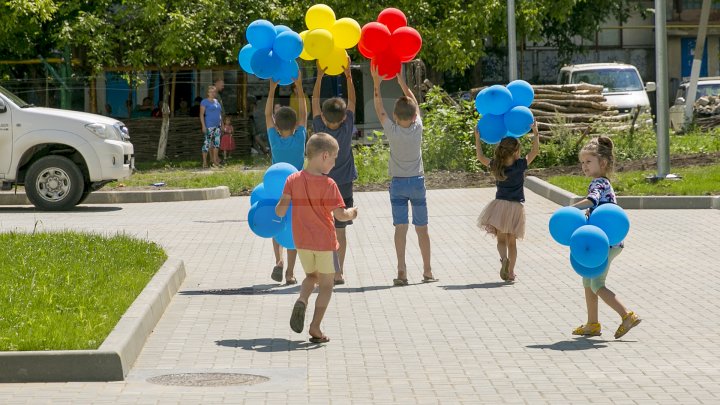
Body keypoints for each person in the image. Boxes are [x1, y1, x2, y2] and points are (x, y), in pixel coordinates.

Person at [275, 133, 359, 343]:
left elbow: (280, 210)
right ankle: (315, 327)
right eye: (333, 158)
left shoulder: (292, 180)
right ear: (324, 156)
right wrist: (352, 213)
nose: (334, 163)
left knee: (311, 277)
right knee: (326, 285)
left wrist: (275, 208)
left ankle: (302, 299)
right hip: (325, 243)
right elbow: (340, 215)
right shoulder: (329, 184)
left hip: (302, 242)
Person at [370, 64, 437, 286]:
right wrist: (401, 82)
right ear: (414, 115)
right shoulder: (418, 128)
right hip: (417, 183)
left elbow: (379, 109)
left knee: (400, 228)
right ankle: (427, 271)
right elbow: (415, 104)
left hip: (397, 184)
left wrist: (377, 83)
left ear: (396, 117)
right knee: (422, 228)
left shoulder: (392, 130)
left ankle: (401, 271)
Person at [570, 136, 641, 339]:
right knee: (587, 280)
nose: (584, 166)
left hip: (604, 244)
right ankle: (592, 324)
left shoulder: (598, 183)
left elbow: (591, 200)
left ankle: (627, 315)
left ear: (603, 163)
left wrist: (571, 209)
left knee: (596, 284)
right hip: (602, 241)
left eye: (588, 162)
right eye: (582, 162)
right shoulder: (604, 182)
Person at [475, 123, 540, 282]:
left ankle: (503, 260)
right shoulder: (520, 165)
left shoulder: (496, 165)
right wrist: (535, 133)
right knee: (512, 242)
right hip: (516, 207)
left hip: (500, 207)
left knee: (501, 240)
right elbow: (535, 152)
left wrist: (477, 139)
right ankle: (511, 273)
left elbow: (480, 157)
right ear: (516, 152)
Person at [312, 57, 356, 285]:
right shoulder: (347, 126)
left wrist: (319, 76)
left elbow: (314, 104)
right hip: (345, 185)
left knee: (321, 230)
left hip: (320, 187)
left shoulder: (319, 128)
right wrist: (348, 76)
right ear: (343, 117)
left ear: (323, 117)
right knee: (341, 231)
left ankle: (322, 272)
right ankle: (338, 272)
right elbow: (353, 103)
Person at [266, 73, 308, 285]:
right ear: (295, 126)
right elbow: (304, 114)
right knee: (294, 229)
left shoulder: (273, 138)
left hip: (275, 189)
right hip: (297, 190)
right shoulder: (300, 137)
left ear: (276, 124)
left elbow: (267, 116)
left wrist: (272, 89)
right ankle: (290, 273)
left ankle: (278, 260)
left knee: (276, 224)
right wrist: (299, 87)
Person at [200, 85, 222, 169]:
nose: (213, 93)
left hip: (217, 126)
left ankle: (215, 161)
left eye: (214, 92)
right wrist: (203, 126)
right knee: (207, 143)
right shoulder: (204, 102)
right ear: (207, 93)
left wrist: (222, 125)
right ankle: (205, 162)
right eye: (211, 92)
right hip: (209, 126)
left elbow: (220, 114)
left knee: (216, 144)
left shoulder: (217, 101)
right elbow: (201, 115)